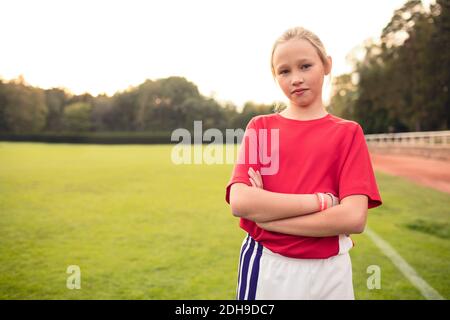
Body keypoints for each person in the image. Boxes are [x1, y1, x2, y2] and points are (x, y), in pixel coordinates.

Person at [225, 26, 382, 300]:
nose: (296, 79)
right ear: (275, 77)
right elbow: (241, 202)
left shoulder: (348, 133)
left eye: (305, 66)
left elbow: (353, 217)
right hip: (268, 264)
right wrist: (322, 202)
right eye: (284, 71)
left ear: (326, 65)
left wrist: (267, 218)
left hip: (330, 270)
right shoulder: (262, 128)